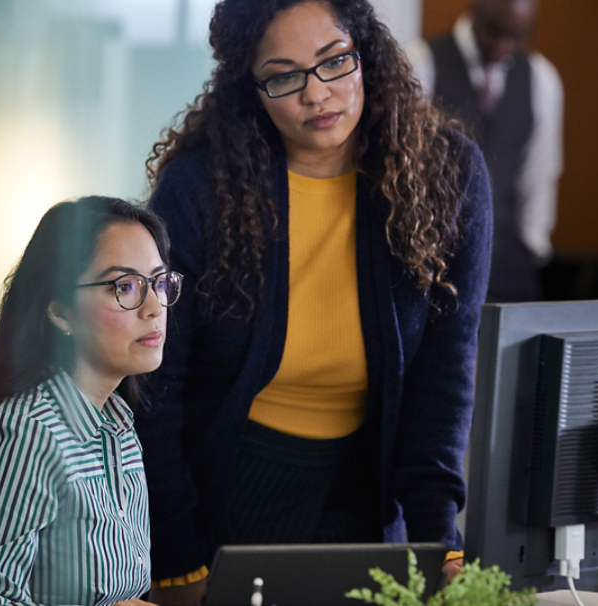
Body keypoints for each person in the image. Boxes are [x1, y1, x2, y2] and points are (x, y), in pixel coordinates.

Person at [135, 1, 493, 604]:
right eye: (284, 75)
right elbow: (157, 385)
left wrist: (441, 547)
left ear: (367, 52)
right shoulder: (199, 189)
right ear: (250, 87)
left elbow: (444, 383)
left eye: (334, 63)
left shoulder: (447, 175)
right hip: (231, 490)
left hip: (369, 494)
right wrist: (176, 560)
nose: (316, 94)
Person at [0, 196, 183, 606]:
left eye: (159, 282)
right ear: (60, 312)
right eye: (124, 287)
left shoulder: (118, 425)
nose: (155, 307)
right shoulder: (29, 433)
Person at [408, 0, 563, 302]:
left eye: (517, 34)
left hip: (508, 266)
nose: (504, 44)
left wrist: (532, 245)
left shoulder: (541, 77)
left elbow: (541, 169)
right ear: (476, 10)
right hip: (438, 261)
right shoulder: (422, 62)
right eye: (495, 31)